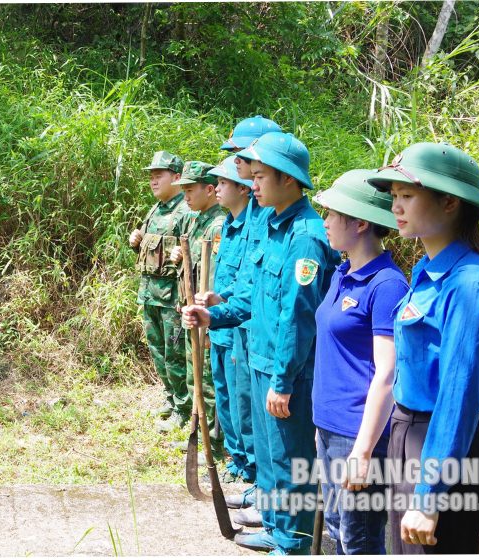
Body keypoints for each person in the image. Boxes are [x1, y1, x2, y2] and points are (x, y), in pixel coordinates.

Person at [185, 131, 339, 554]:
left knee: (292, 462)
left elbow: (297, 317)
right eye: (251, 176)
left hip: (285, 368)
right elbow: (253, 297)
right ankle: (275, 525)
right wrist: (213, 314)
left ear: (288, 179)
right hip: (258, 358)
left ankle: (294, 543)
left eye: (260, 176)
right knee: (271, 458)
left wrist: (284, 380)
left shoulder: (305, 236)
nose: (252, 184)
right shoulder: (273, 225)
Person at [367, 142, 479, 554]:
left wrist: (428, 497)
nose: (396, 205)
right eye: (393, 195)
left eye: (408, 195)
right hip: (409, 436)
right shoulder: (428, 272)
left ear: (450, 202)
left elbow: (458, 398)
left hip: (441, 448)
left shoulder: (469, 287)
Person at [311, 169, 409, 554]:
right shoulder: (342, 272)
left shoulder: (386, 285)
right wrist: (321, 426)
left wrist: (364, 452)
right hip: (331, 429)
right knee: (339, 530)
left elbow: (387, 373)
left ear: (361, 222)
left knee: (361, 541)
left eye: (332, 214)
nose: (325, 223)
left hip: (359, 435)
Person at [192, 116, 282, 513]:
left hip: (261, 336)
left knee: (265, 423)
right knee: (242, 409)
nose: (236, 164)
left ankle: (278, 511)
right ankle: (257, 484)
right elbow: (246, 282)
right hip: (238, 324)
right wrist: (217, 308)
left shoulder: (276, 220)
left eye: (240, 157)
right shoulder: (241, 221)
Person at [194, 156, 254, 484]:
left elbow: (246, 285)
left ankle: (249, 471)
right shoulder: (227, 224)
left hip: (237, 329)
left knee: (243, 407)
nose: (216, 188)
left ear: (244, 189)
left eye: (224, 183)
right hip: (219, 327)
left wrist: (221, 304)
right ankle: (237, 462)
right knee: (225, 402)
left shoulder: (253, 228)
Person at [129, 151, 192, 431]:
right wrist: (136, 242)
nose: (154, 182)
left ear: (177, 178)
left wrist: (182, 256)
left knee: (175, 354)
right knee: (157, 351)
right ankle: (169, 397)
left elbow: (196, 257)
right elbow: (151, 250)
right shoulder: (155, 210)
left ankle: (184, 407)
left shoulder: (186, 212)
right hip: (150, 295)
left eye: (159, 176)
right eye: (151, 177)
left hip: (172, 299)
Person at [169, 160, 225, 451]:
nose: (186, 196)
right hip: (191, 314)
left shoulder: (216, 226)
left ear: (210, 190)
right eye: (184, 190)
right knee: (195, 378)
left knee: (208, 383)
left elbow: (212, 280)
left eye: (190, 190)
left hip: (205, 318)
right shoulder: (195, 221)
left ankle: (214, 446)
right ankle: (199, 434)